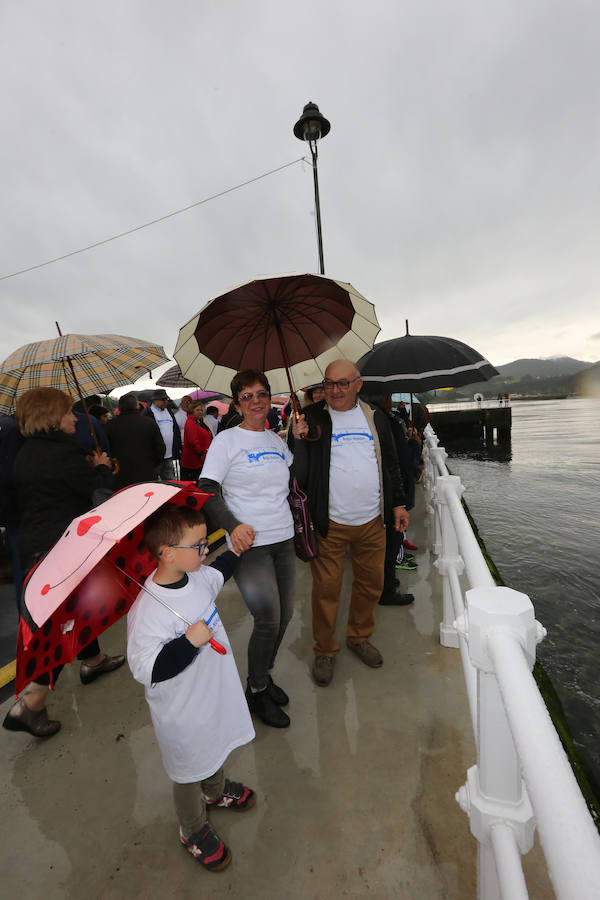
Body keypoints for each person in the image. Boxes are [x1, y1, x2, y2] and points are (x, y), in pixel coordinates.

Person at [127, 504, 255, 872]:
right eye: (198, 545)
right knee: (187, 770)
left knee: (213, 744)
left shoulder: (196, 577)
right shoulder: (147, 610)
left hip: (211, 694)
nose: (205, 550)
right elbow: (145, 667)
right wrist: (188, 643)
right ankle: (192, 828)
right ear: (166, 553)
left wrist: (236, 550)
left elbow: (219, 572)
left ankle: (214, 792)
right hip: (181, 712)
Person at [2, 388, 125, 738]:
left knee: (75, 608)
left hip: (36, 547)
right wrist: (102, 469)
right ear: (52, 417)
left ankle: (93, 661)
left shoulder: (26, 453)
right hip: (63, 548)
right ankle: (32, 703)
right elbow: (97, 497)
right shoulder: (64, 455)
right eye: (69, 413)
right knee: (61, 623)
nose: (74, 418)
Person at [289, 359, 410, 687]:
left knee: (370, 584)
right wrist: (297, 439)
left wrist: (398, 503)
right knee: (327, 590)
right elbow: (297, 475)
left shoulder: (376, 418)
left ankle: (359, 637)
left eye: (343, 383)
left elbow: (392, 464)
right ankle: (325, 650)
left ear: (359, 384)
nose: (335, 390)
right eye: (329, 383)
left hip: (373, 521)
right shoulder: (312, 418)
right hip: (329, 523)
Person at [199, 370, 296, 729]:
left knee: (285, 615)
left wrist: (300, 438)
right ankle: (256, 690)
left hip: (284, 539)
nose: (256, 401)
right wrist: (232, 525)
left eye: (261, 394)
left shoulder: (275, 439)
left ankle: (264, 676)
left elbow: (291, 474)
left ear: (270, 397)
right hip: (249, 545)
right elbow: (207, 487)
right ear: (236, 403)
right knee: (267, 619)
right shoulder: (226, 441)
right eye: (247, 396)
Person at [104, 393, 166, 489]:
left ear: (119, 408)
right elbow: (160, 449)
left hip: (121, 477)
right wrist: (150, 464)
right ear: (137, 406)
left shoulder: (110, 426)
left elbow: (107, 451)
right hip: (147, 474)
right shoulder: (150, 423)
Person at [142, 388, 182, 480]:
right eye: (162, 399)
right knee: (155, 481)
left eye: (166, 399)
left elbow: (175, 430)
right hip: (156, 456)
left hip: (169, 454)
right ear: (155, 400)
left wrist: (177, 447)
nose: (165, 402)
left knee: (170, 480)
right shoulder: (148, 413)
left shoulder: (169, 411)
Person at [181, 401, 213, 481]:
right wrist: (201, 452)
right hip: (193, 462)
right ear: (192, 411)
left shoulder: (198, 422)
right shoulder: (191, 422)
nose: (200, 412)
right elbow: (193, 441)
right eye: (197, 410)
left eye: (201, 410)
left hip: (198, 460)